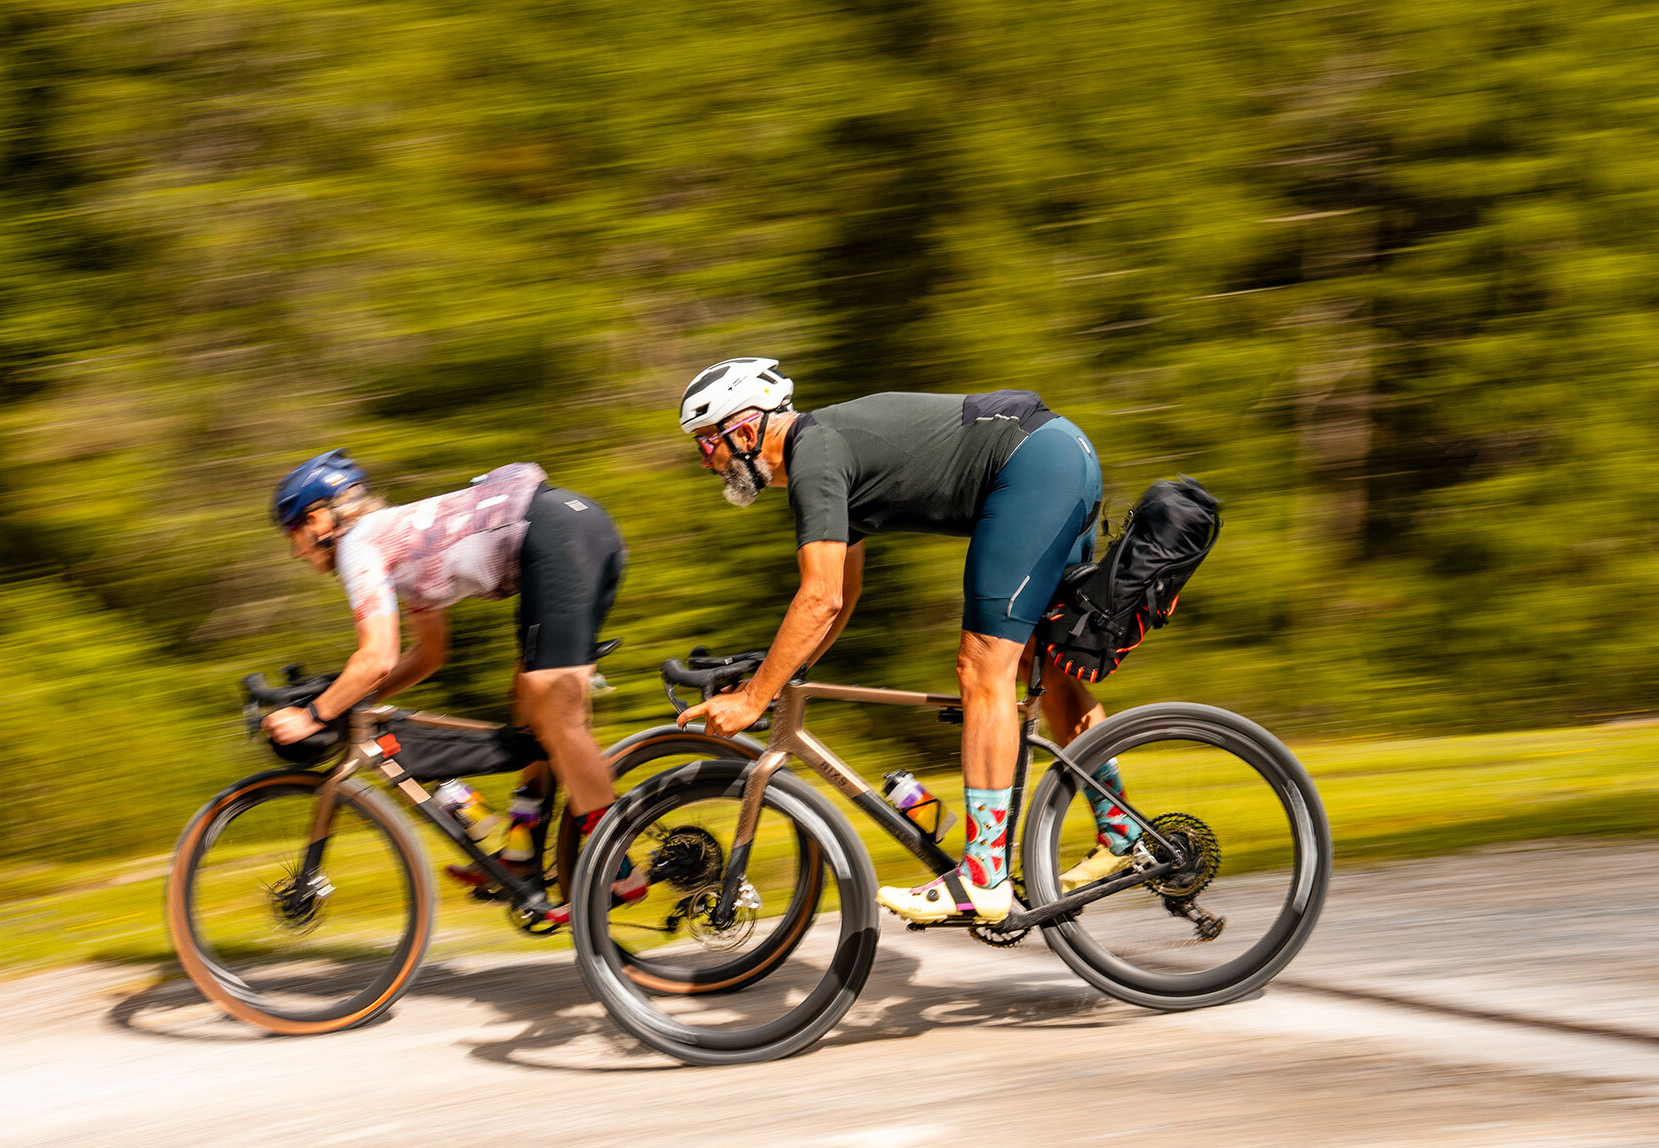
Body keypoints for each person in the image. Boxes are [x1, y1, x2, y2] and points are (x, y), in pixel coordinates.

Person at [672, 358, 1141, 925]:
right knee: (1045, 668)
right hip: (1059, 455)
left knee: (980, 669)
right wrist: (775, 678)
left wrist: (751, 699)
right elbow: (841, 596)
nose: (707, 463)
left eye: (705, 444)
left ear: (743, 432)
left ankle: (983, 877)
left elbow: (818, 598)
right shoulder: (829, 450)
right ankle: (1122, 833)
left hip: (1036, 467)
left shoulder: (813, 461)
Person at [261, 450, 643, 923]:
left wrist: (314, 715)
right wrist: (355, 699)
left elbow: (376, 656)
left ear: (318, 519)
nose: (295, 550)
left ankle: (617, 868)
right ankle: (521, 855)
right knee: (529, 709)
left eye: (293, 534)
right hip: (570, 531)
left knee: (555, 717)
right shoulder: (394, 537)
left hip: (556, 538)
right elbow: (428, 654)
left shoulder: (358, 546)